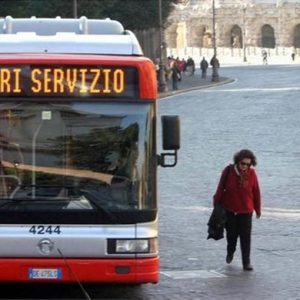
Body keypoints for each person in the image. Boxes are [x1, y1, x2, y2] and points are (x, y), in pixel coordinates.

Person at [213, 149, 261, 271]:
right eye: (243, 163)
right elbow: (220, 188)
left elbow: (256, 192)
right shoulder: (228, 171)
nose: (245, 166)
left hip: (246, 211)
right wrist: (216, 206)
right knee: (232, 236)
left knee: (246, 238)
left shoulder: (252, 174)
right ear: (237, 162)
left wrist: (258, 209)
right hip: (230, 210)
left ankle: (246, 262)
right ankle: (230, 251)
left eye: (248, 164)